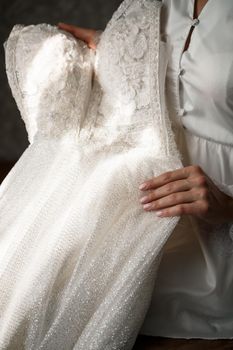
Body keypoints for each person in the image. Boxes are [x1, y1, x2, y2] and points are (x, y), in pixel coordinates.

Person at [58, 0, 233, 339]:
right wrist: (117, 49)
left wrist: (228, 208)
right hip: (141, 236)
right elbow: (174, 72)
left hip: (220, 262)